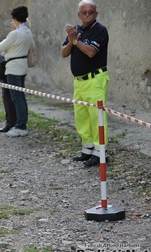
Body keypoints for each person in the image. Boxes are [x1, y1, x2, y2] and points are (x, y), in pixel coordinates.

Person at [62, 0, 109, 167]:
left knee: (97, 117)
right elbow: (64, 53)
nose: (87, 15)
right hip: (79, 82)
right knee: (81, 116)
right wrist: (70, 39)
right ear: (79, 15)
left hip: (95, 79)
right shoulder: (76, 30)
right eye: (84, 12)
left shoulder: (100, 30)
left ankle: (100, 151)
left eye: (91, 12)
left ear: (96, 14)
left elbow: (91, 52)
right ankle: (87, 149)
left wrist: (75, 41)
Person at [0, 6, 33, 137]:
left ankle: (20, 125)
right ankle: (20, 122)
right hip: (22, 65)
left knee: (16, 98)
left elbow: (0, 47)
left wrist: (10, 33)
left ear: (15, 19)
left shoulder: (15, 33)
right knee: (20, 97)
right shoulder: (27, 32)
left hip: (13, 67)